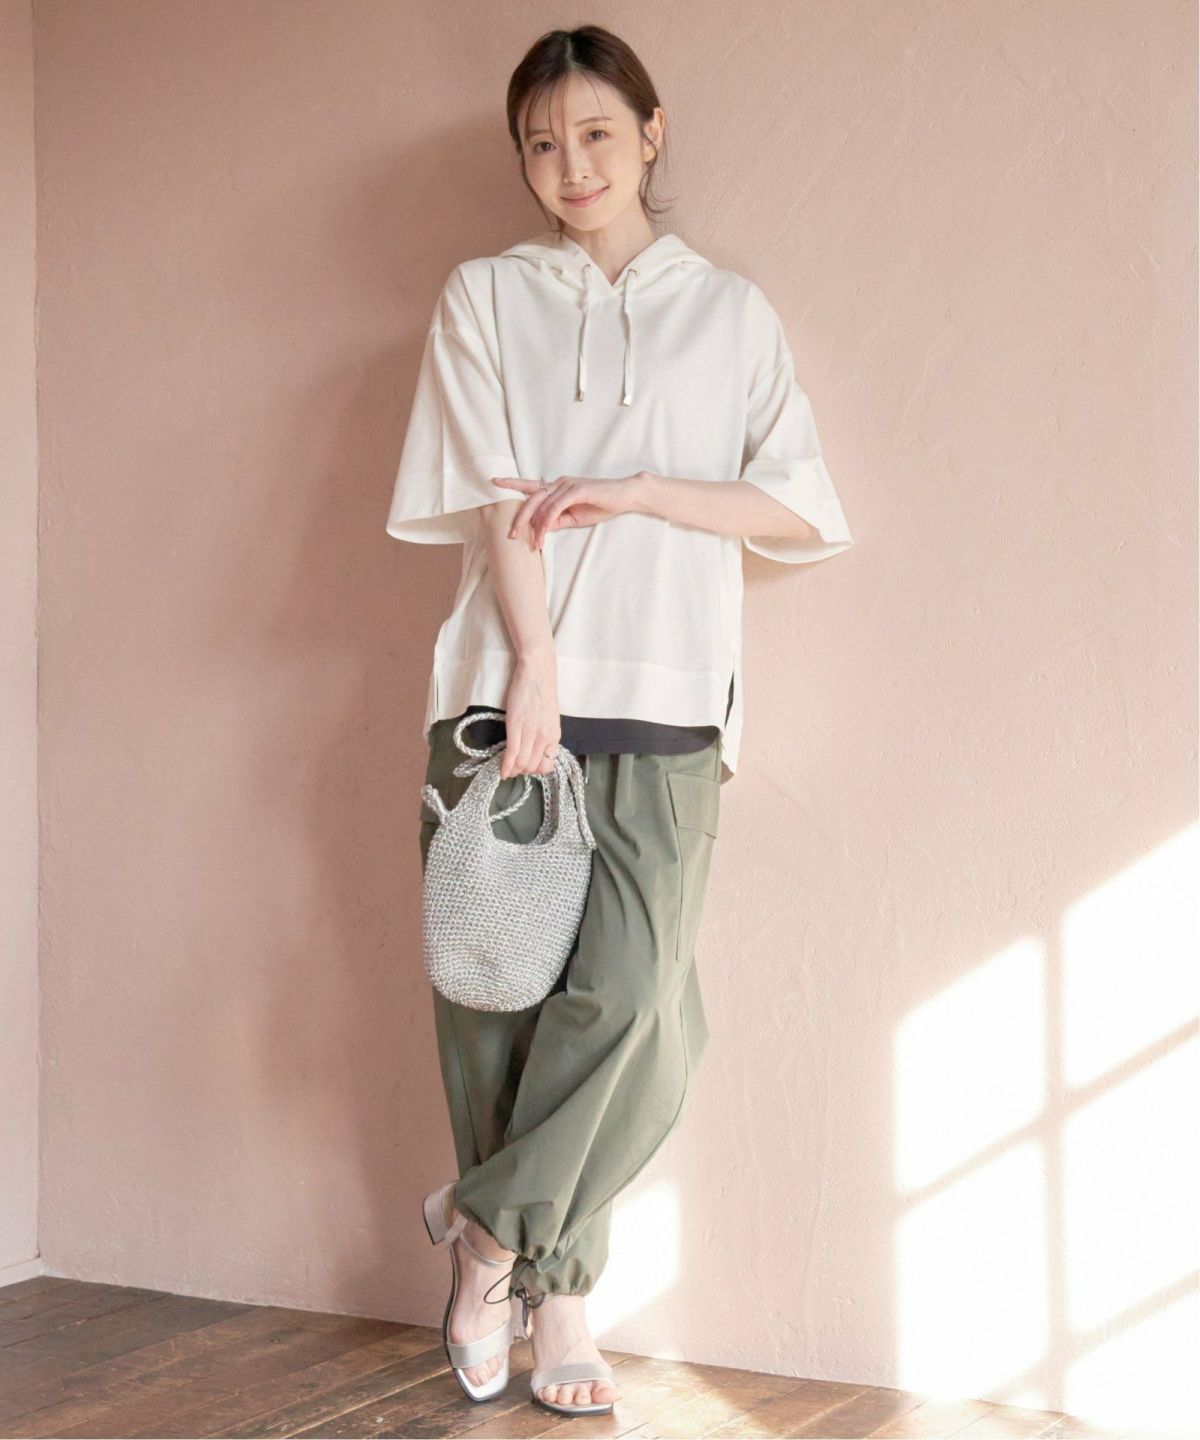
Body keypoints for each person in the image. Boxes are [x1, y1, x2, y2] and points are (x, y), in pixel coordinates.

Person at [386, 23, 854, 1418]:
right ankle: (563, 1309)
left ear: (650, 134)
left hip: (669, 691)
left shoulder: (731, 313)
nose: (570, 165)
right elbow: (490, 493)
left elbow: (797, 505)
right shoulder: (484, 297)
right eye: (540, 143)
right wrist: (532, 660)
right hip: (506, 687)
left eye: (595, 134)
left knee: (646, 1010)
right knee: (499, 1011)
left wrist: (648, 487)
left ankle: (484, 1232)